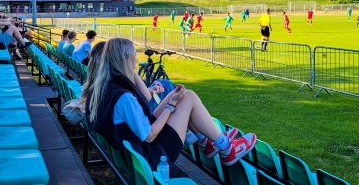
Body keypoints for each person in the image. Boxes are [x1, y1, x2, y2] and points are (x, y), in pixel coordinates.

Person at [84, 38, 257, 178]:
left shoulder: (104, 89)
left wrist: (171, 99)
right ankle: (226, 147)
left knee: (183, 95)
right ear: (124, 60)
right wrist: (171, 105)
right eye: (133, 56)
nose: (137, 60)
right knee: (188, 97)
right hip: (154, 154)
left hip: (139, 151)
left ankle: (211, 142)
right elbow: (149, 135)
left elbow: (146, 118)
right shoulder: (123, 96)